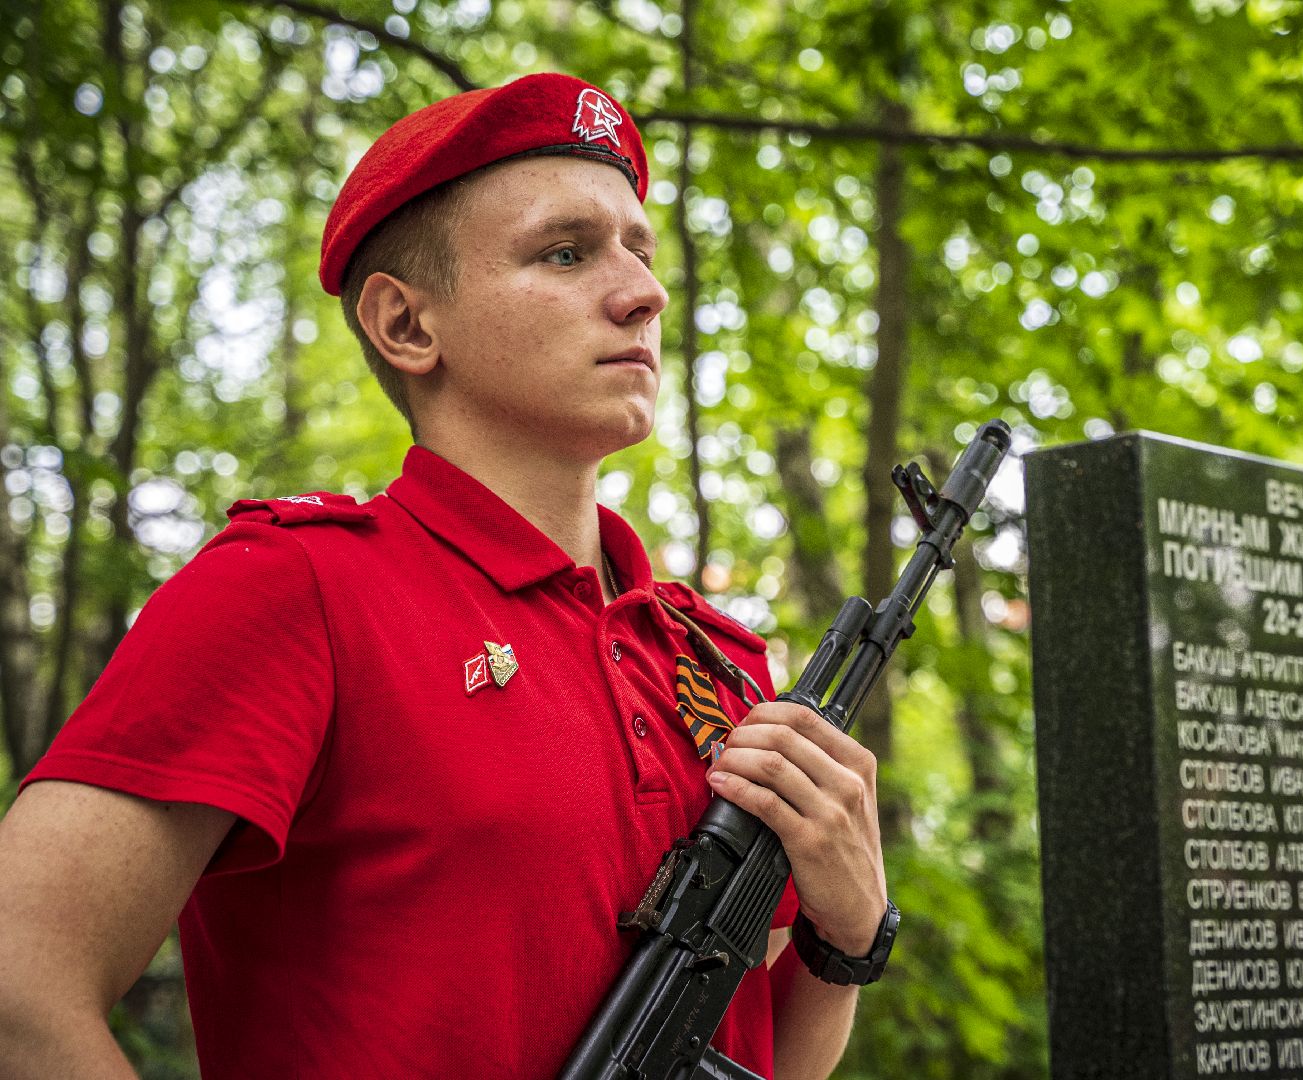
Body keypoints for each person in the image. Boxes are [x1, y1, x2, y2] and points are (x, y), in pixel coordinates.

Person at [0, 73, 893, 1079]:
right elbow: (21, 993)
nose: (643, 292)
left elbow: (751, 1048)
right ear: (407, 326)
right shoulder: (292, 589)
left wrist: (848, 938)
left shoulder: (717, 660)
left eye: (640, 251)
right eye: (565, 252)